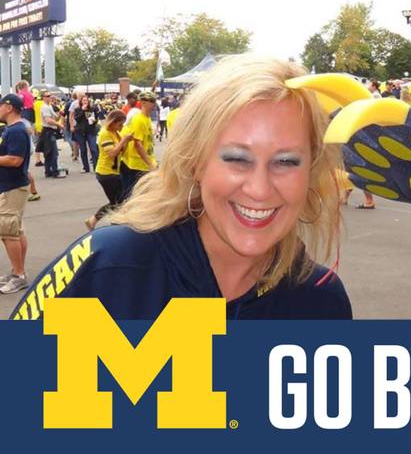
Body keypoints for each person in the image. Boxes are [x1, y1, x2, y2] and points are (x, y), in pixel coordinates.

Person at [10, 56, 352, 320]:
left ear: (312, 170)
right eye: (237, 158)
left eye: (286, 161)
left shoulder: (321, 302)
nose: (260, 189)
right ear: (196, 162)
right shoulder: (109, 269)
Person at [0, 95, 31, 294]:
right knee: (15, 231)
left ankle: (19, 275)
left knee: (8, 232)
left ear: (9, 107)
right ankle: (17, 271)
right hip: (13, 186)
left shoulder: (16, 130)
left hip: (12, 186)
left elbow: (15, 160)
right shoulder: (13, 129)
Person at [84, 110, 133, 231]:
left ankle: (96, 221)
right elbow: (112, 153)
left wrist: (126, 142)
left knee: (118, 201)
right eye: (120, 124)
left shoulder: (115, 133)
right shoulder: (105, 133)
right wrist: (124, 140)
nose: (121, 127)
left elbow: (121, 152)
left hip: (113, 172)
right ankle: (109, 223)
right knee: (117, 202)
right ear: (112, 122)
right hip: (106, 173)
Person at [119, 91, 157, 200]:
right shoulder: (138, 119)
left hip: (143, 162)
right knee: (135, 196)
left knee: (142, 195)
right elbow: (138, 144)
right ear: (143, 103)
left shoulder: (146, 118)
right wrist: (150, 163)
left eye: (154, 101)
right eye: (151, 101)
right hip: (137, 165)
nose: (154, 104)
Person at [39, 91, 63, 178]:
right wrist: (58, 125)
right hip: (48, 131)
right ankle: (54, 172)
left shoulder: (49, 106)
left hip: (50, 131)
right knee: (53, 152)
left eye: (50, 95)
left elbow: (55, 118)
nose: (50, 97)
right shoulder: (45, 107)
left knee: (49, 152)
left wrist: (60, 114)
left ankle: (48, 171)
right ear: (43, 98)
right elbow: (48, 120)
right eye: (48, 96)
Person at [74, 96, 100, 173]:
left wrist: (94, 120)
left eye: (86, 100)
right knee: (83, 150)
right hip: (80, 131)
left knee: (93, 149)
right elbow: (77, 119)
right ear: (81, 102)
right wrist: (82, 110)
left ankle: (96, 167)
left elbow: (95, 119)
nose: (85, 102)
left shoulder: (92, 109)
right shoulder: (78, 109)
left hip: (90, 131)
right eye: (83, 100)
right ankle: (86, 167)